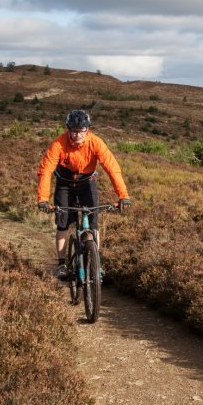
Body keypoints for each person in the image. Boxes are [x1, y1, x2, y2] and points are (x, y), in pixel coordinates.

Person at [36, 109, 131, 279]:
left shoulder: (96, 143)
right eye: (74, 131)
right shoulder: (58, 143)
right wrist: (43, 199)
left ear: (88, 129)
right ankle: (62, 264)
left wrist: (123, 195)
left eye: (81, 131)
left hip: (87, 182)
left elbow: (112, 168)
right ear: (68, 129)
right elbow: (46, 170)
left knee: (93, 224)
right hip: (64, 183)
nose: (78, 135)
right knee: (63, 222)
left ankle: (96, 264)